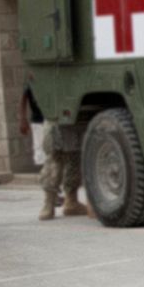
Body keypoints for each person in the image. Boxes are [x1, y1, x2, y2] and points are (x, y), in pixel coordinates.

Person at [19, 84, 88, 221]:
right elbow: (26, 94)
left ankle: (71, 201)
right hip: (54, 116)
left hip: (74, 113)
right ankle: (48, 203)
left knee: (75, 158)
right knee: (55, 159)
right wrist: (22, 118)